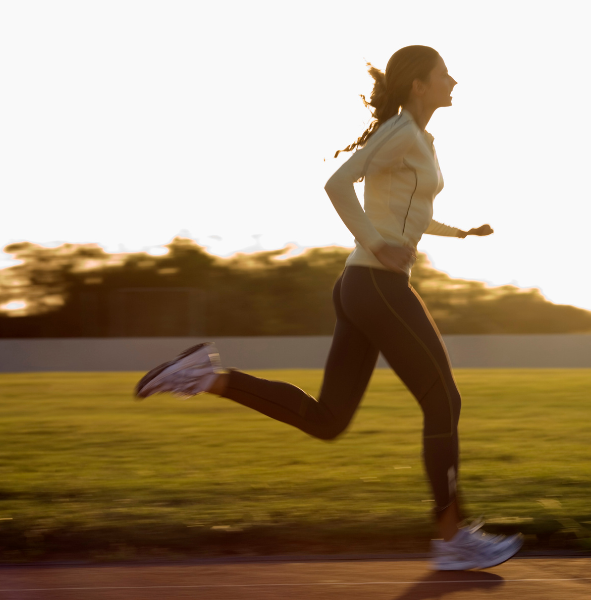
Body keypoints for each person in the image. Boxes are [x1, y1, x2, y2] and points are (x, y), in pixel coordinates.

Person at [134, 45, 522, 570]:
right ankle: (452, 539)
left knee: (328, 419)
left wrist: (458, 232)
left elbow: (408, 210)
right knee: (444, 401)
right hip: (376, 284)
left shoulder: (420, 138)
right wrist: (376, 242)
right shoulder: (403, 131)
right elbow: (338, 184)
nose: (455, 81)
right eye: (444, 74)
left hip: (363, 286)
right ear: (419, 85)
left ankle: (205, 377)